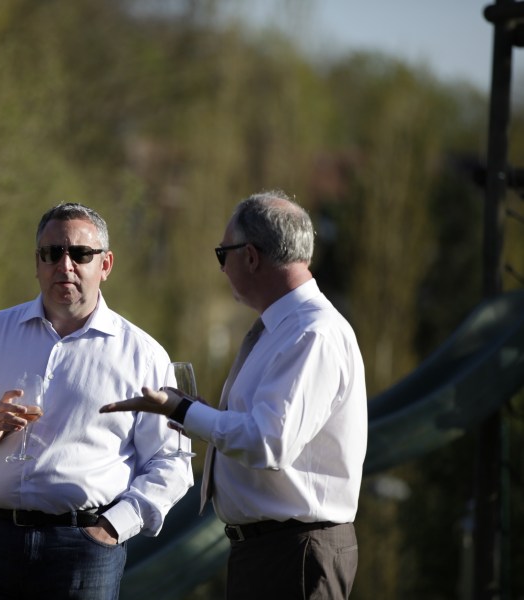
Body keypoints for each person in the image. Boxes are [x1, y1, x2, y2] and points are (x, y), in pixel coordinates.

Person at [101, 190, 367, 599]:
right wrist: (196, 413)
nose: (222, 268)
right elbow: (265, 428)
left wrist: (182, 410)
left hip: (293, 551)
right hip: (274, 549)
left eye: (222, 254)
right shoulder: (287, 329)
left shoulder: (311, 333)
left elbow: (268, 442)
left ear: (251, 257)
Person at [0, 202, 193, 600]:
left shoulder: (143, 355)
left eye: (80, 254)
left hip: (83, 549)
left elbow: (172, 462)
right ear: (37, 262)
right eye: (52, 253)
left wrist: (114, 527)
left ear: (105, 265)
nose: (64, 265)